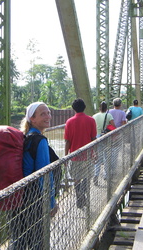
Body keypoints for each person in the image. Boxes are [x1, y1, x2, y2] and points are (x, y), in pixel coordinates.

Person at [19, 101, 57, 249]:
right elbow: (44, 175)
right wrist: (51, 203)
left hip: (21, 196)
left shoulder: (25, 137)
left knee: (21, 239)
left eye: (48, 112)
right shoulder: (40, 141)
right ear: (32, 119)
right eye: (43, 114)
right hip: (35, 198)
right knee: (38, 241)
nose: (48, 116)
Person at [64, 98, 97, 208]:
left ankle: (79, 197)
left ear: (73, 108)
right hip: (87, 154)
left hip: (74, 156)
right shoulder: (91, 120)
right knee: (87, 177)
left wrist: (66, 156)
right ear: (84, 107)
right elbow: (93, 138)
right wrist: (95, 152)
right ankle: (84, 195)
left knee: (76, 178)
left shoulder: (69, 122)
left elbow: (67, 141)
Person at [92, 101, 115, 185]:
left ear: (99, 108)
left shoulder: (94, 116)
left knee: (97, 157)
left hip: (97, 137)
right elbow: (114, 126)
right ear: (106, 109)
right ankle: (106, 175)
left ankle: (96, 175)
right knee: (106, 157)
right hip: (106, 137)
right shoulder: (109, 115)